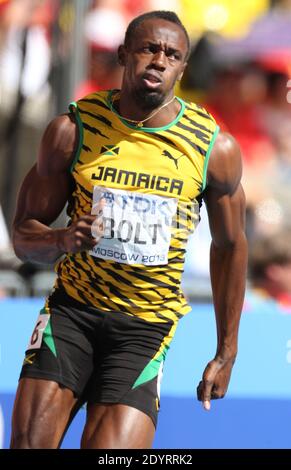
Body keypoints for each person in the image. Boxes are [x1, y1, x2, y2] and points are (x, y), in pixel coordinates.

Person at [10, 10, 247, 449]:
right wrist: (61, 240)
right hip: (72, 315)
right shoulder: (72, 129)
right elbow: (24, 237)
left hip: (144, 328)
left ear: (182, 68)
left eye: (172, 55)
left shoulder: (215, 148)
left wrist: (226, 351)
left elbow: (230, 246)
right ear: (124, 55)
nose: (159, 60)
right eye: (148, 49)